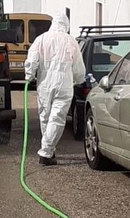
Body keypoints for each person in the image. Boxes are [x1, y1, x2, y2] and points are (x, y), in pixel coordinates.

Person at [24, 12, 85, 166]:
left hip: (44, 83)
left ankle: (48, 150)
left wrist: (29, 76)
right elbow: (78, 65)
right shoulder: (71, 41)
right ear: (66, 25)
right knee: (57, 118)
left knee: (45, 116)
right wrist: (79, 80)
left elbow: (32, 59)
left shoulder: (41, 39)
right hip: (64, 83)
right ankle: (47, 150)